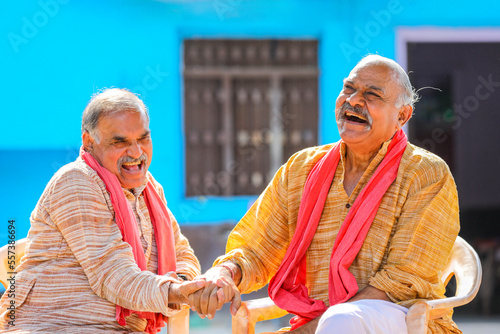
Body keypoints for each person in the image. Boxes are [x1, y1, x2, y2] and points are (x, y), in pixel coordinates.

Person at [189, 55, 461, 333]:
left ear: (402, 116)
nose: (353, 101)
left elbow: (402, 281)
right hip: (322, 323)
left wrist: (310, 330)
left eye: (372, 95)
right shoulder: (302, 169)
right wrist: (224, 273)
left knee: (340, 321)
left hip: (400, 318)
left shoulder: (425, 173)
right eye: (349, 89)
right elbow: (257, 249)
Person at [0, 88, 204, 333]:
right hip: (53, 325)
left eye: (143, 138)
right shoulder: (76, 181)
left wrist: (183, 284)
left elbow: (182, 253)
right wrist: (176, 292)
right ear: (89, 142)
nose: (137, 153)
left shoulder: (150, 189)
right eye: (120, 142)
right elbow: (113, 275)